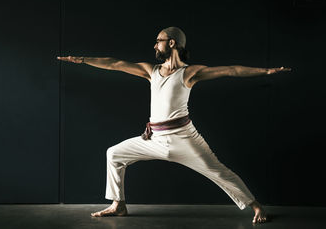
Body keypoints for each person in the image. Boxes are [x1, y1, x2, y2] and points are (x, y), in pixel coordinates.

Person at [57, 26, 291, 223]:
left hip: (184, 139)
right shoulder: (152, 71)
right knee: (114, 154)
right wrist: (82, 60)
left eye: (158, 42)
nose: (154, 46)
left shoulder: (189, 73)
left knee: (219, 172)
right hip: (153, 139)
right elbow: (115, 64)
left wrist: (266, 71)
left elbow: (231, 70)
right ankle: (118, 204)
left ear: (171, 43)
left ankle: (256, 206)